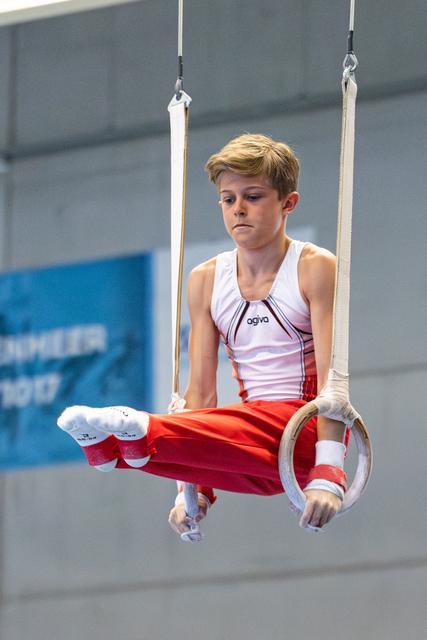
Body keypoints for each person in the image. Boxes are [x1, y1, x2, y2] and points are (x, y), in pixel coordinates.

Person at [57, 133, 349, 535]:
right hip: (258, 458)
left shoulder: (314, 267)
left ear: (288, 203)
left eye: (253, 196)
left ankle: (141, 430)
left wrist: (328, 470)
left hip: (302, 434)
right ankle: (112, 451)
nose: (238, 210)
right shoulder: (207, 280)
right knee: (205, 429)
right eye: (228, 200)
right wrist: (191, 491)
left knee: (237, 426)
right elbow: (202, 394)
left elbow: (334, 384)